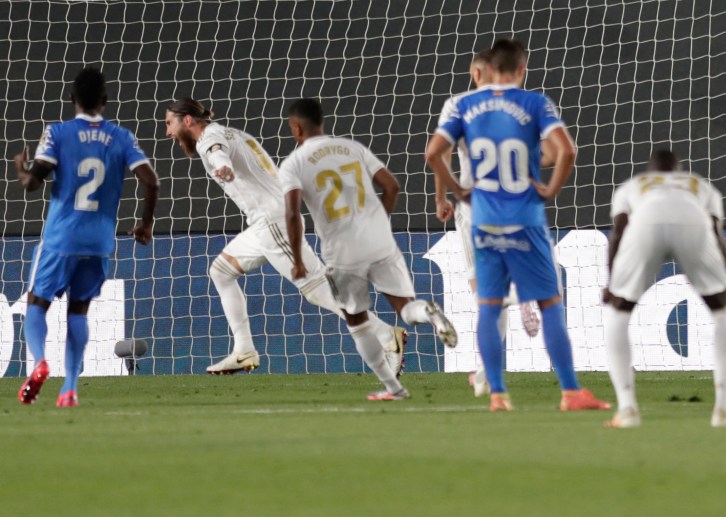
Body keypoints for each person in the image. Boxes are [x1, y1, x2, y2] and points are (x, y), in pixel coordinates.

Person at [425, 39, 610, 412]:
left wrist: (458, 191)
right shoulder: (535, 103)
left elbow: (433, 153)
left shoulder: (463, 105)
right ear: (522, 69)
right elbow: (566, 151)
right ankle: (571, 392)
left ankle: (497, 393)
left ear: (488, 70)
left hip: (482, 220)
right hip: (525, 219)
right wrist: (550, 189)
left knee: (488, 305)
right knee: (551, 303)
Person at [164, 99, 406, 375]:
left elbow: (216, 152)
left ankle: (387, 336)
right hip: (263, 223)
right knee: (221, 271)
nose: (168, 132)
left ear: (187, 120)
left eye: (169, 124)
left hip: (273, 223)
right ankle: (244, 350)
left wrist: (223, 165)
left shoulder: (209, 138)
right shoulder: (231, 132)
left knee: (317, 289)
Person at [279, 98, 457, 400]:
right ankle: (428, 312)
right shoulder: (352, 147)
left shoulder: (293, 163)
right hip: (380, 241)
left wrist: (297, 260)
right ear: (321, 121)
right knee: (406, 310)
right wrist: (377, 222)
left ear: (296, 127)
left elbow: (293, 214)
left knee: (357, 322)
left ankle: (394, 388)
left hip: (342, 251)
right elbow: (392, 186)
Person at [13, 66, 160, 407]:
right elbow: (151, 181)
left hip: (61, 238)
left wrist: (21, 170)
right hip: (99, 243)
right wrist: (145, 224)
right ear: (104, 101)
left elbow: (33, 184)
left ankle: (39, 363)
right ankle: (70, 389)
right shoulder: (121, 137)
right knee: (78, 312)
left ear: (72, 100)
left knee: (37, 304)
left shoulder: (57, 133)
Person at [604, 150, 726, 428]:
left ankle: (627, 409)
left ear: (650, 171)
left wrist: (612, 283)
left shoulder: (632, 186)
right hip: (693, 222)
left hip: (645, 223)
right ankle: (724, 410)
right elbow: (717, 234)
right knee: (722, 313)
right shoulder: (699, 185)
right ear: (679, 170)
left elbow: (619, 231)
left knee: (618, 313)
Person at [433, 48, 543, 398]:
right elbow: (546, 153)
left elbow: (439, 153)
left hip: (475, 207)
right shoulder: (519, 105)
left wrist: (443, 197)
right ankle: (485, 372)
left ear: (476, 73)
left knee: (485, 293)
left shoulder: (458, 104)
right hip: (516, 204)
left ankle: (513, 298)